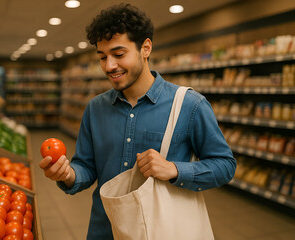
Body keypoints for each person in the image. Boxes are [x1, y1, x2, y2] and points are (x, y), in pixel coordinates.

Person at [39, 3, 236, 239]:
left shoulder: (189, 105)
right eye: (102, 57)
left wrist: (174, 169)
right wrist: (68, 175)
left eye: (119, 54)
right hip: (105, 230)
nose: (109, 66)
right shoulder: (95, 108)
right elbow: (87, 167)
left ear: (146, 48)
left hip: (162, 230)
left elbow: (225, 165)